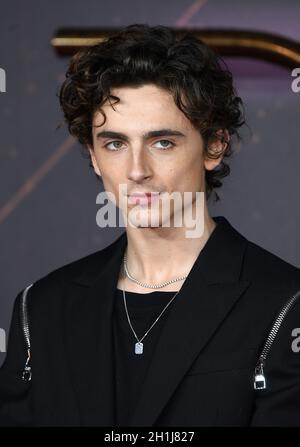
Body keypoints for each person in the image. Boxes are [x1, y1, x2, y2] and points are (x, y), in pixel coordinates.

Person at [1, 23, 300, 427]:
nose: (137, 170)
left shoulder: (284, 305)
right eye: (115, 143)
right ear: (93, 155)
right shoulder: (40, 309)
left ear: (214, 145)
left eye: (163, 142)